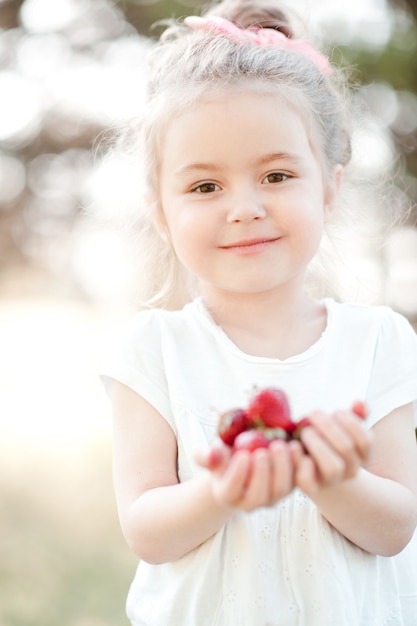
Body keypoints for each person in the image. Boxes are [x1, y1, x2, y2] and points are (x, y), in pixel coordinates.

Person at [101, 1, 417, 624]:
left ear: (329, 185)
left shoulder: (378, 340)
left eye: (275, 175)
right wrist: (224, 489)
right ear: (161, 213)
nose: (243, 207)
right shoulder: (152, 348)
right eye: (205, 186)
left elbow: (396, 526)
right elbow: (146, 529)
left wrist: (330, 480)